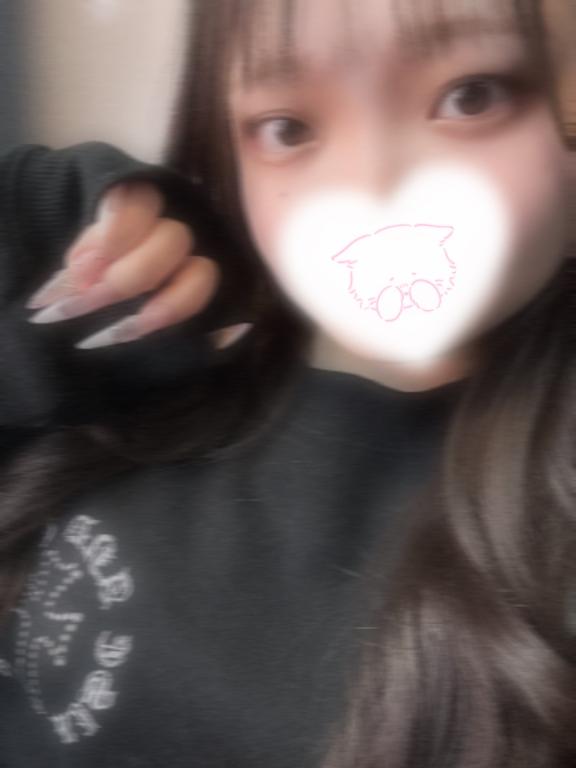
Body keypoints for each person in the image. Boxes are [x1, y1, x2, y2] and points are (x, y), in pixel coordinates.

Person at [0, 1, 575, 767]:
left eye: (473, 96)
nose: (374, 185)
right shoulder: (154, 371)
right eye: (288, 129)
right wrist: (53, 215)